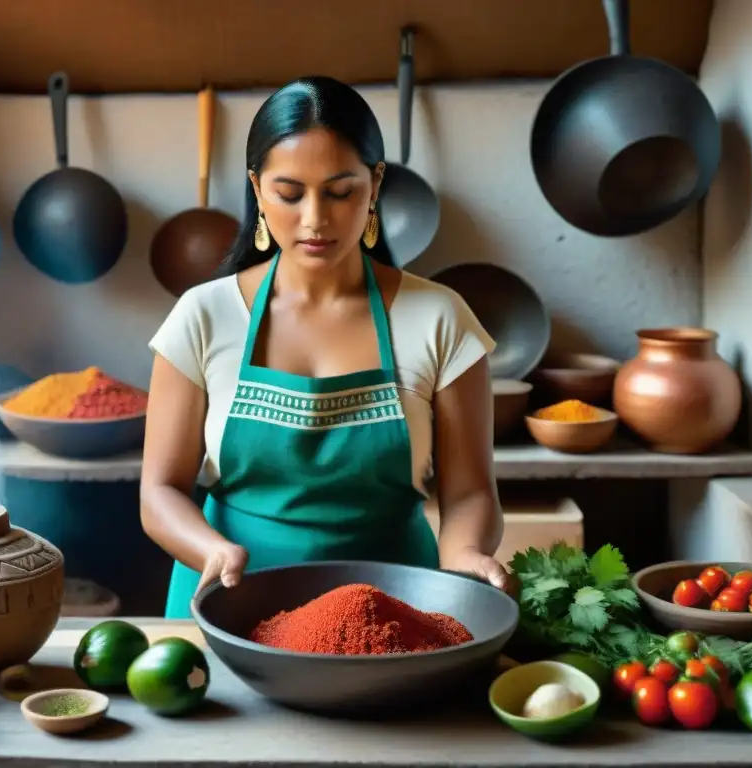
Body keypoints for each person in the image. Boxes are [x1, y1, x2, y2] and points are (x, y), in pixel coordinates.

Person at [141, 76, 513, 620]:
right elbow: (160, 492)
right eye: (290, 193)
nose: (315, 219)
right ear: (257, 188)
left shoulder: (439, 318)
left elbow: (471, 492)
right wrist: (211, 550)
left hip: (392, 608)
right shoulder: (203, 316)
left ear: (375, 184)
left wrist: (463, 556)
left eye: (340, 192)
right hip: (232, 605)